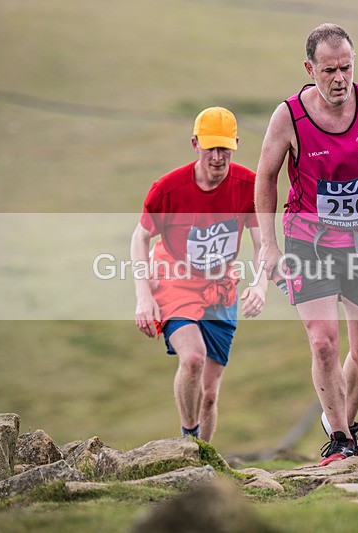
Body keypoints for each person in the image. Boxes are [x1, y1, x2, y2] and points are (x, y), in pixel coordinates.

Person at [255, 23, 358, 466]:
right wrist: (269, 247)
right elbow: (265, 178)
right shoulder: (288, 117)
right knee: (324, 342)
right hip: (307, 240)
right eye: (328, 70)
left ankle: (339, 427)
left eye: (346, 68)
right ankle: (343, 441)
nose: (338, 79)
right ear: (309, 69)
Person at [131, 107, 267, 442]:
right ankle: (187, 441)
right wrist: (143, 297)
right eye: (211, 148)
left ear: (236, 144)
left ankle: (203, 461)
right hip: (174, 279)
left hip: (221, 289)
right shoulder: (168, 188)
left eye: (225, 148)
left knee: (209, 393)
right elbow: (140, 237)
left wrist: (260, 284)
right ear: (195, 144)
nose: (218, 157)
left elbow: (263, 241)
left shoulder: (249, 185)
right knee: (192, 359)